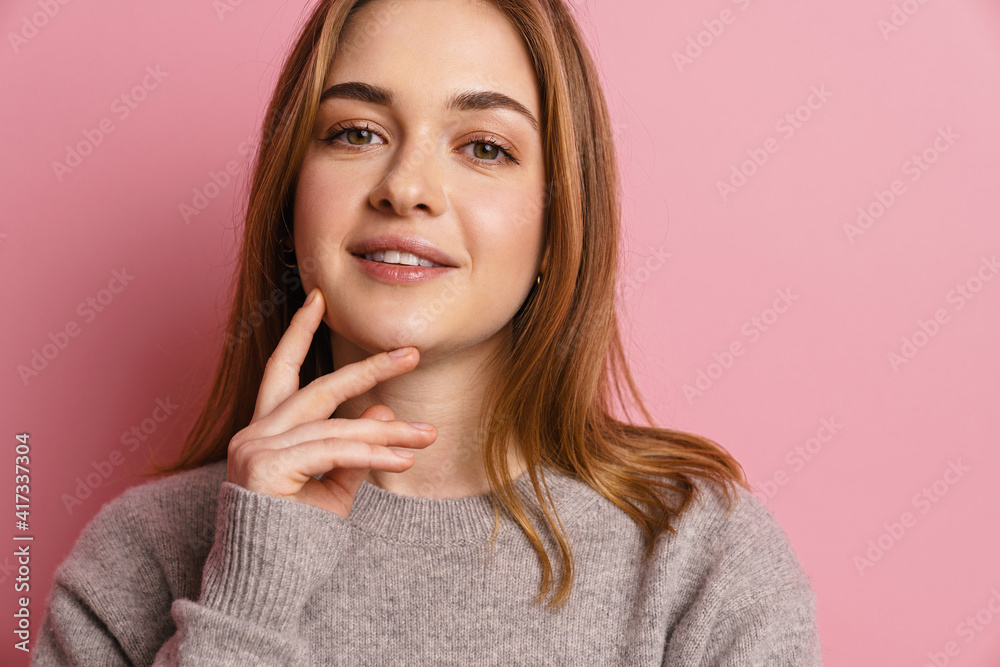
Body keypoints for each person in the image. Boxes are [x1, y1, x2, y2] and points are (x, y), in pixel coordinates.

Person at [33, 0, 824, 664]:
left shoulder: (698, 558)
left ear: (557, 225)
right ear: (290, 195)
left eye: (485, 147)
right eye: (356, 132)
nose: (406, 188)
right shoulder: (137, 558)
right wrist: (251, 587)